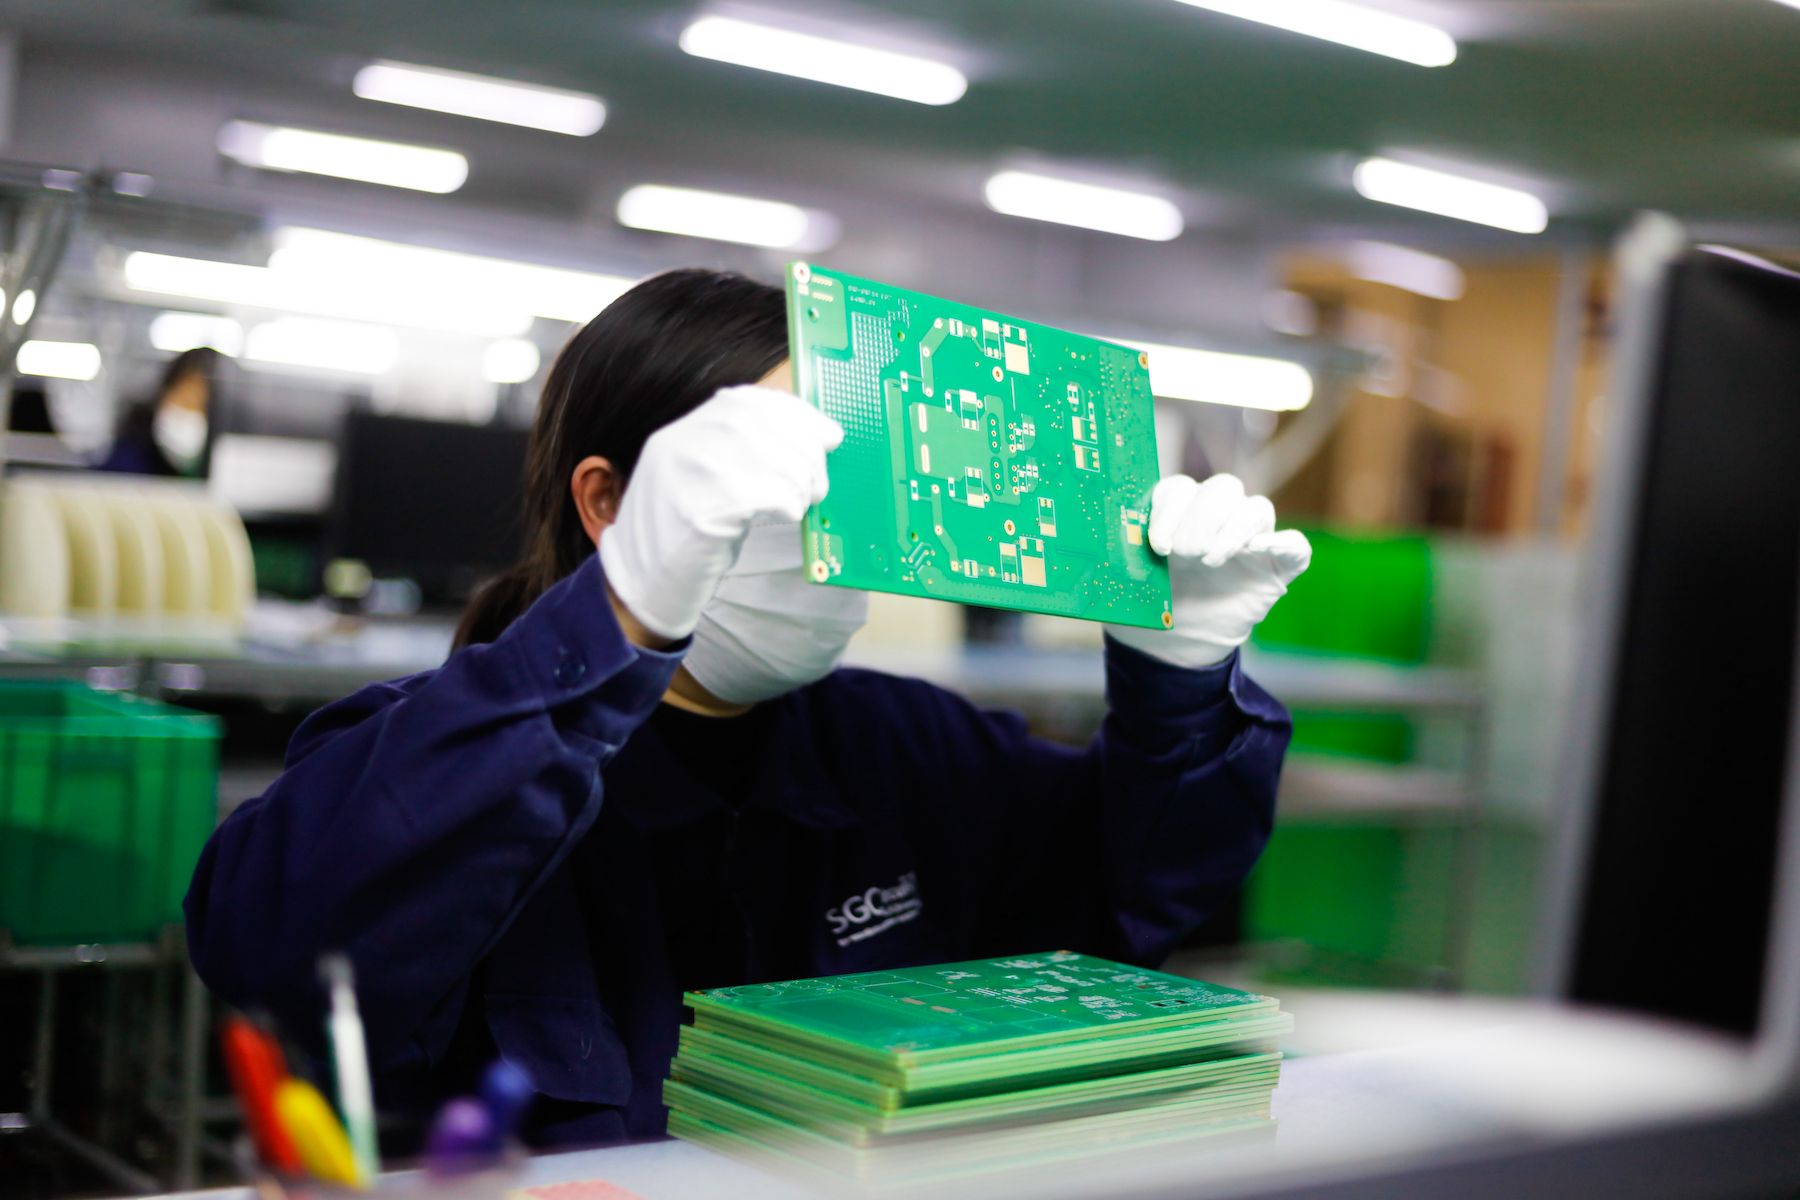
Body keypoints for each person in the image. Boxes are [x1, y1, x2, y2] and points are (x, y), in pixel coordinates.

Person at [185, 269, 1312, 1148]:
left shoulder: (913, 750)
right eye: (778, 481)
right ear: (610, 500)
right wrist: (614, 620)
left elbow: (1138, 901)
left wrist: (1181, 683)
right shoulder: (424, 752)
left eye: (855, 484)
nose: (830, 536)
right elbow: (278, 956)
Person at [100, 346, 217, 476]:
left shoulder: (219, 470)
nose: (192, 411)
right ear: (164, 392)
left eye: (202, 407)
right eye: (185, 401)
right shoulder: (131, 455)